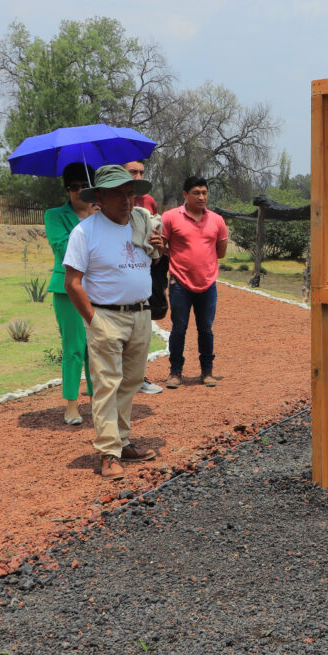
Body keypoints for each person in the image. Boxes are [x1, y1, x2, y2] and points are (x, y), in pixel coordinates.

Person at [63, 165, 162, 480]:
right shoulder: (85, 232)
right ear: (100, 197)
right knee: (107, 385)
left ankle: (123, 442)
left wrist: (160, 250)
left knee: (131, 383)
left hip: (141, 315)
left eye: (130, 192)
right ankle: (108, 452)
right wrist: (93, 321)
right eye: (118, 193)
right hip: (106, 316)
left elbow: (150, 261)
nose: (127, 199)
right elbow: (72, 283)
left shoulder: (140, 224)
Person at [161, 175, 228, 388]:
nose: (201, 197)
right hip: (179, 283)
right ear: (185, 194)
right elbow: (162, 246)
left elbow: (221, 252)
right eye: (196, 193)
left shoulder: (217, 220)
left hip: (208, 284)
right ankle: (175, 372)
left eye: (204, 193)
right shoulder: (170, 217)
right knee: (178, 328)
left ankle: (207, 372)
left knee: (206, 329)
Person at [44, 162, 96, 425]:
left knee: (98, 347)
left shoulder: (103, 215)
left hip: (99, 289)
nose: (78, 191)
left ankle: (99, 400)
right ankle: (72, 405)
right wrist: (88, 224)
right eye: (73, 187)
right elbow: (63, 248)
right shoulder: (55, 216)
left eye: (84, 186)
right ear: (67, 190)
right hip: (68, 289)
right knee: (74, 347)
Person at [124, 161, 165, 394]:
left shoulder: (147, 202)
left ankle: (139, 378)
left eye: (141, 172)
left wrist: (158, 247)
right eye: (133, 172)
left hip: (142, 270)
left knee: (140, 332)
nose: (138, 176)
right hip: (116, 276)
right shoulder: (104, 205)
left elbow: (155, 245)